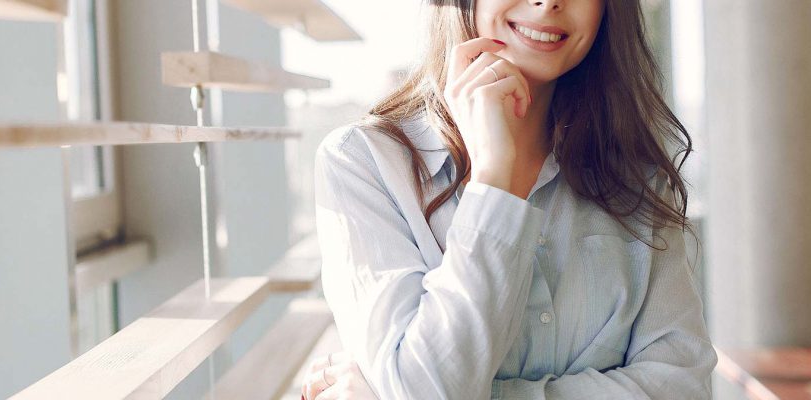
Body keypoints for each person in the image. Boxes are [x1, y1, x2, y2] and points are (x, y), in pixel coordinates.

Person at [301, 0, 717, 399]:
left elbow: (682, 387)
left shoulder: (638, 183)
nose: (548, 2)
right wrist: (495, 178)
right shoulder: (362, 163)